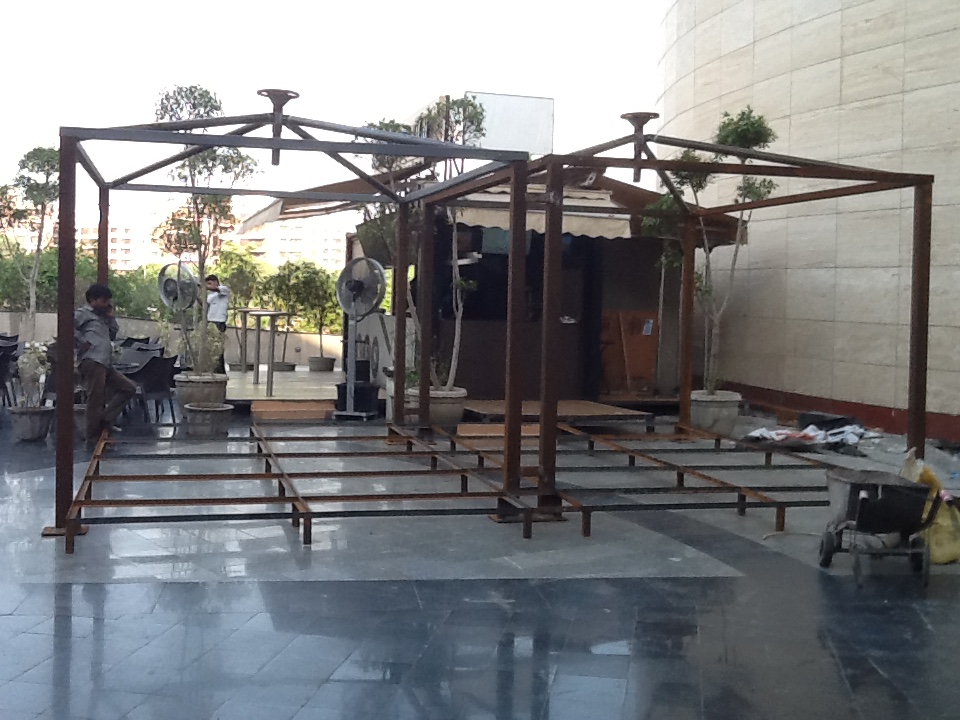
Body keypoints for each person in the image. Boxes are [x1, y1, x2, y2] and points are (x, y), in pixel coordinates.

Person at [74, 284, 137, 441]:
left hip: (105, 362)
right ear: (93, 300)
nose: (106, 304)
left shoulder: (104, 316)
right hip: (92, 359)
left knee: (128, 388)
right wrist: (82, 342)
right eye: (103, 301)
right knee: (95, 398)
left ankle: (105, 420)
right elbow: (68, 328)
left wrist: (110, 317)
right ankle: (92, 435)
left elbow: (113, 334)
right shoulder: (82, 313)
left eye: (108, 301)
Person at [205, 274, 231, 374]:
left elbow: (215, 289)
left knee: (218, 348)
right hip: (210, 321)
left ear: (216, 282)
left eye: (210, 283)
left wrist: (202, 286)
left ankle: (220, 371)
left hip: (219, 322)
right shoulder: (210, 296)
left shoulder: (224, 290)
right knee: (211, 347)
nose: (208, 286)